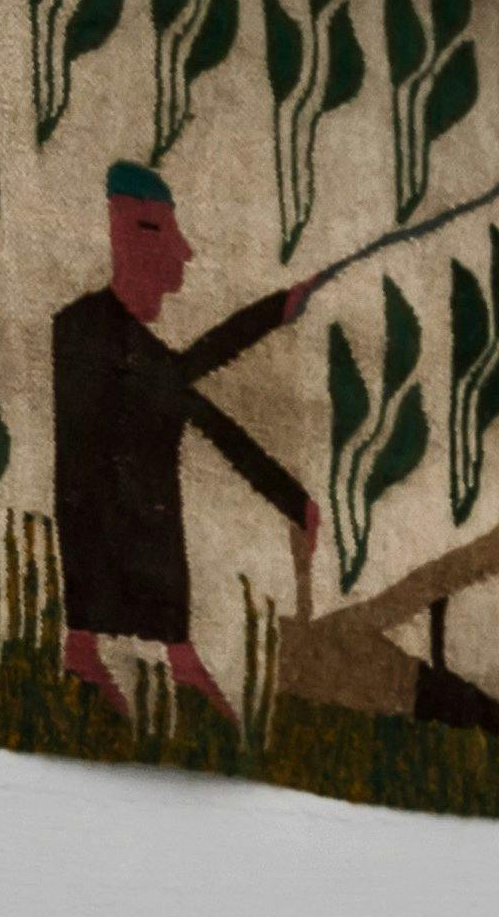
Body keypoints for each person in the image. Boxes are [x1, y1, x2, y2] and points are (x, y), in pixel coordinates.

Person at [52, 159, 324, 724]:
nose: (185, 252)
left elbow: (206, 409)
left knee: (148, 509)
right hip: (102, 519)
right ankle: (114, 653)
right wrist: (274, 311)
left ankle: (158, 655)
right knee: (127, 509)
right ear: (129, 232)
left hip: (130, 522)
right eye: (163, 231)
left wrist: (291, 498)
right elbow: (194, 384)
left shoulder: (125, 351)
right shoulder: (83, 333)